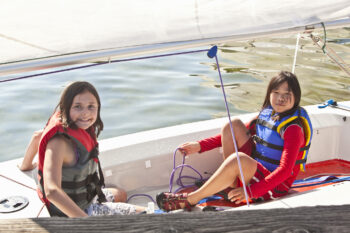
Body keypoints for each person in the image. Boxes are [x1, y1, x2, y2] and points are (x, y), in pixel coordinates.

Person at [156, 71, 313, 211]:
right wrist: (200, 146)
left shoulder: (293, 129)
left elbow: (285, 171)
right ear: (269, 93)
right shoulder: (268, 114)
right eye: (276, 92)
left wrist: (251, 192)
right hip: (256, 172)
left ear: (296, 97)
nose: (281, 98)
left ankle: (191, 200)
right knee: (233, 126)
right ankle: (230, 184)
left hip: (274, 187)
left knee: (239, 160)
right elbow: (234, 133)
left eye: (287, 94)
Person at [23, 81, 145, 217]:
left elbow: (37, 136)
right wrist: (86, 223)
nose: (85, 114)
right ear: (66, 108)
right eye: (78, 107)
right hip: (74, 212)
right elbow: (52, 191)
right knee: (148, 214)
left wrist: (25, 165)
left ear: (98, 108)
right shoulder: (59, 143)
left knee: (121, 194)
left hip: (88, 197)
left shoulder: (72, 126)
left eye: (91, 107)